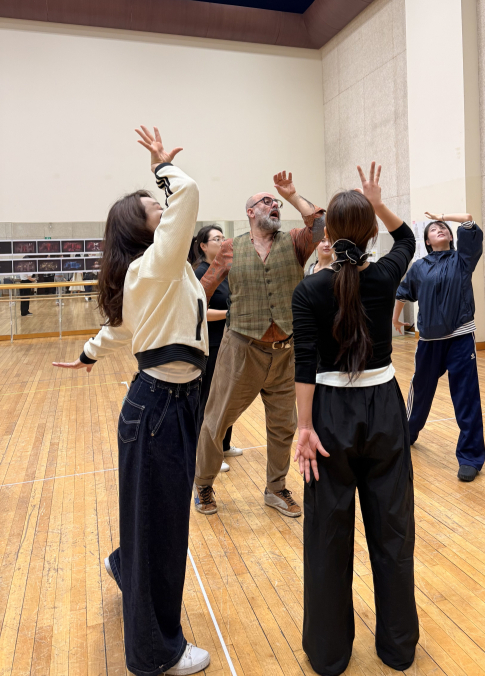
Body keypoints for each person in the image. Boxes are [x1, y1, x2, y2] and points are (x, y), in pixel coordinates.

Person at [52, 126, 210, 676]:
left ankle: (126, 565)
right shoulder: (158, 265)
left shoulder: (158, 270)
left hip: (170, 403)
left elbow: (119, 329)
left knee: (156, 519)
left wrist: (89, 355)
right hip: (161, 406)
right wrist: (163, 169)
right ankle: (154, 652)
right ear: (141, 228)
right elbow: (188, 193)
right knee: (162, 529)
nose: (163, 208)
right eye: (153, 207)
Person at [292, 163, 419, 676]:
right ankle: (398, 648)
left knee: (327, 535)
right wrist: (377, 201)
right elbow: (406, 238)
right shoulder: (386, 276)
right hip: (384, 408)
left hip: (328, 415)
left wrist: (304, 428)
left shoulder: (309, 292)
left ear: (327, 234)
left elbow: (304, 365)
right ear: (369, 234)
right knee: (393, 531)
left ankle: (328, 655)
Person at [193, 173, 325, 517]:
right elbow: (201, 292)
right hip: (241, 349)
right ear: (250, 212)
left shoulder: (295, 242)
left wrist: (292, 195)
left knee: (284, 426)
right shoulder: (230, 249)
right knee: (217, 420)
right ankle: (203, 483)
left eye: (276, 202)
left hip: (285, 351)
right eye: (266, 201)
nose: (274, 205)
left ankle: (276, 488)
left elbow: (322, 225)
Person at [393, 211, 484, 482]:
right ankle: (408, 433)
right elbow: (402, 293)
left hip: (460, 338)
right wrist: (394, 319)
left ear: (451, 237)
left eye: (443, 227)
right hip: (429, 342)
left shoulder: (462, 259)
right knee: (420, 392)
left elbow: (468, 221)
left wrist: (444, 216)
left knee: (466, 397)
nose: (440, 229)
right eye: (433, 229)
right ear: (427, 241)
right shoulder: (419, 267)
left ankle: (470, 458)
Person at [192, 224, 243, 470]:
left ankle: (224, 444)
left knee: (228, 397)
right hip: (211, 345)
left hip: (229, 341)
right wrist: (229, 313)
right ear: (203, 246)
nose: (222, 242)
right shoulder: (200, 274)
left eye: (223, 238)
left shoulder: (225, 271)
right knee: (211, 399)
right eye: (216, 239)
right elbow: (198, 312)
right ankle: (208, 454)